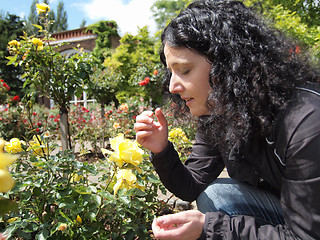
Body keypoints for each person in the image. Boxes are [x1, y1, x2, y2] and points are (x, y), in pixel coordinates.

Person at [134, 0, 320, 239]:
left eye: (185, 70)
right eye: (171, 72)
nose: (172, 86)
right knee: (217, 196)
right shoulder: (221, 111)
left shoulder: (306, 121)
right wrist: (161, 150)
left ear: (227, 64)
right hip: (291, 211)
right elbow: (192, 186)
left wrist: (211, 229)